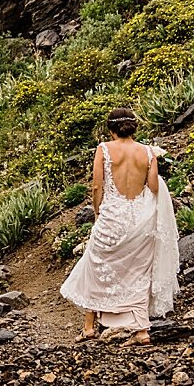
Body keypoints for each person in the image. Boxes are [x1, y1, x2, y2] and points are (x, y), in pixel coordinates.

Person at [60, 107, 178, 344]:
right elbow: (154, 186)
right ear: (134, 127)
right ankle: (142, 330)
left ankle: (89, 327)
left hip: (112, 216)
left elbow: (97, 187)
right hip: (140, 218)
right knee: (139, 273)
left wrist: (97, 212)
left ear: (110, 128)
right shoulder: (148, 152)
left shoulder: (104, 149)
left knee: (95, 266)